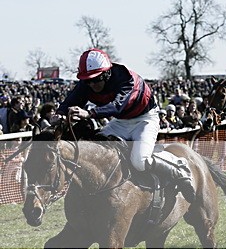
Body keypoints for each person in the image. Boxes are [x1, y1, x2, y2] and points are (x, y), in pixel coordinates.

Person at [56, 48, 195, 202]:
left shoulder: (126, 79)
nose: (92, 84)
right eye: (88, 80)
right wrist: (60, 114)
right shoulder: (87, 84)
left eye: (96, 79)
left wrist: (89, 113)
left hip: (145, 119)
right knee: (98, 149)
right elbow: (69, 102)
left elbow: (117, 106)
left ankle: (179, 169)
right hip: (121, 122)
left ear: (106, 73)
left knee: (139, 161)